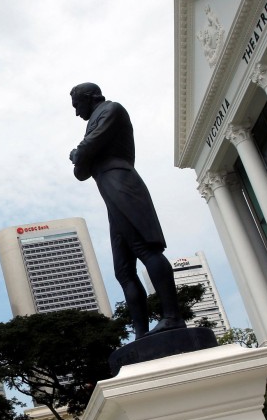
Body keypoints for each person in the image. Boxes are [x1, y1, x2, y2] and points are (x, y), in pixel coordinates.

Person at [69, 82, 185, 339]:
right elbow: (81, 171)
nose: (77, 113)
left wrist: (79, 152)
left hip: (121, 182)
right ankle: (142, 334)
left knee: (145, 248)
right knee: (123, 269)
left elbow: (87, 151)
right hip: (109, 190)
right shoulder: (94, 121)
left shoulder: (111, 110)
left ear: (90, 98)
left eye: (78, 105)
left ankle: (173, 318)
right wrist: (81, 154)